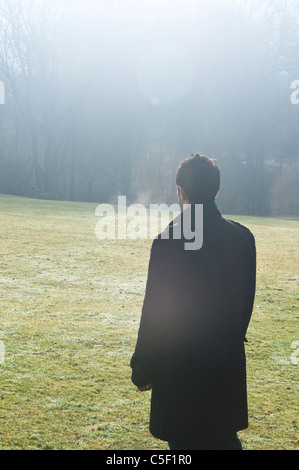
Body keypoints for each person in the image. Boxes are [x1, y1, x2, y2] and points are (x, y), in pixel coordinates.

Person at [130, 154, 256, 450]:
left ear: (181, 192)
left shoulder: (168, 240)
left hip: (180, 370)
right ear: (216, 191)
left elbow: (156, 315)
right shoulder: (242, 238)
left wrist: (144, 368)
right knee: (224, 439)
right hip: (225, 363)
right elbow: (244, 306)